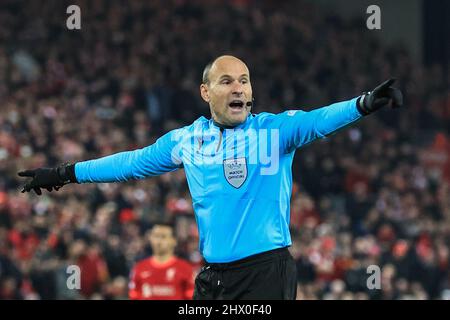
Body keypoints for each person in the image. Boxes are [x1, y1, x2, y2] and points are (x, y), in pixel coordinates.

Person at [17, 55, 403, 300]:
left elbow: (318, 120)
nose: (240, 87)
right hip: (214, 278)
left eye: (245, 80)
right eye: (227, 81)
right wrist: (66, 172)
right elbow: (129, 163)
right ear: (206, 91)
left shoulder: (273, 132)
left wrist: (364, 103)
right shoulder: (186, 140)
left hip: (265, 274)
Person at [128, 222, 194, 300]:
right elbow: (134, 296)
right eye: (156, 236)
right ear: (151, 239)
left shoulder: (185, 268)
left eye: (163, 237)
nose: (159, 241)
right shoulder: (139, 268)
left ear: (174, 241)